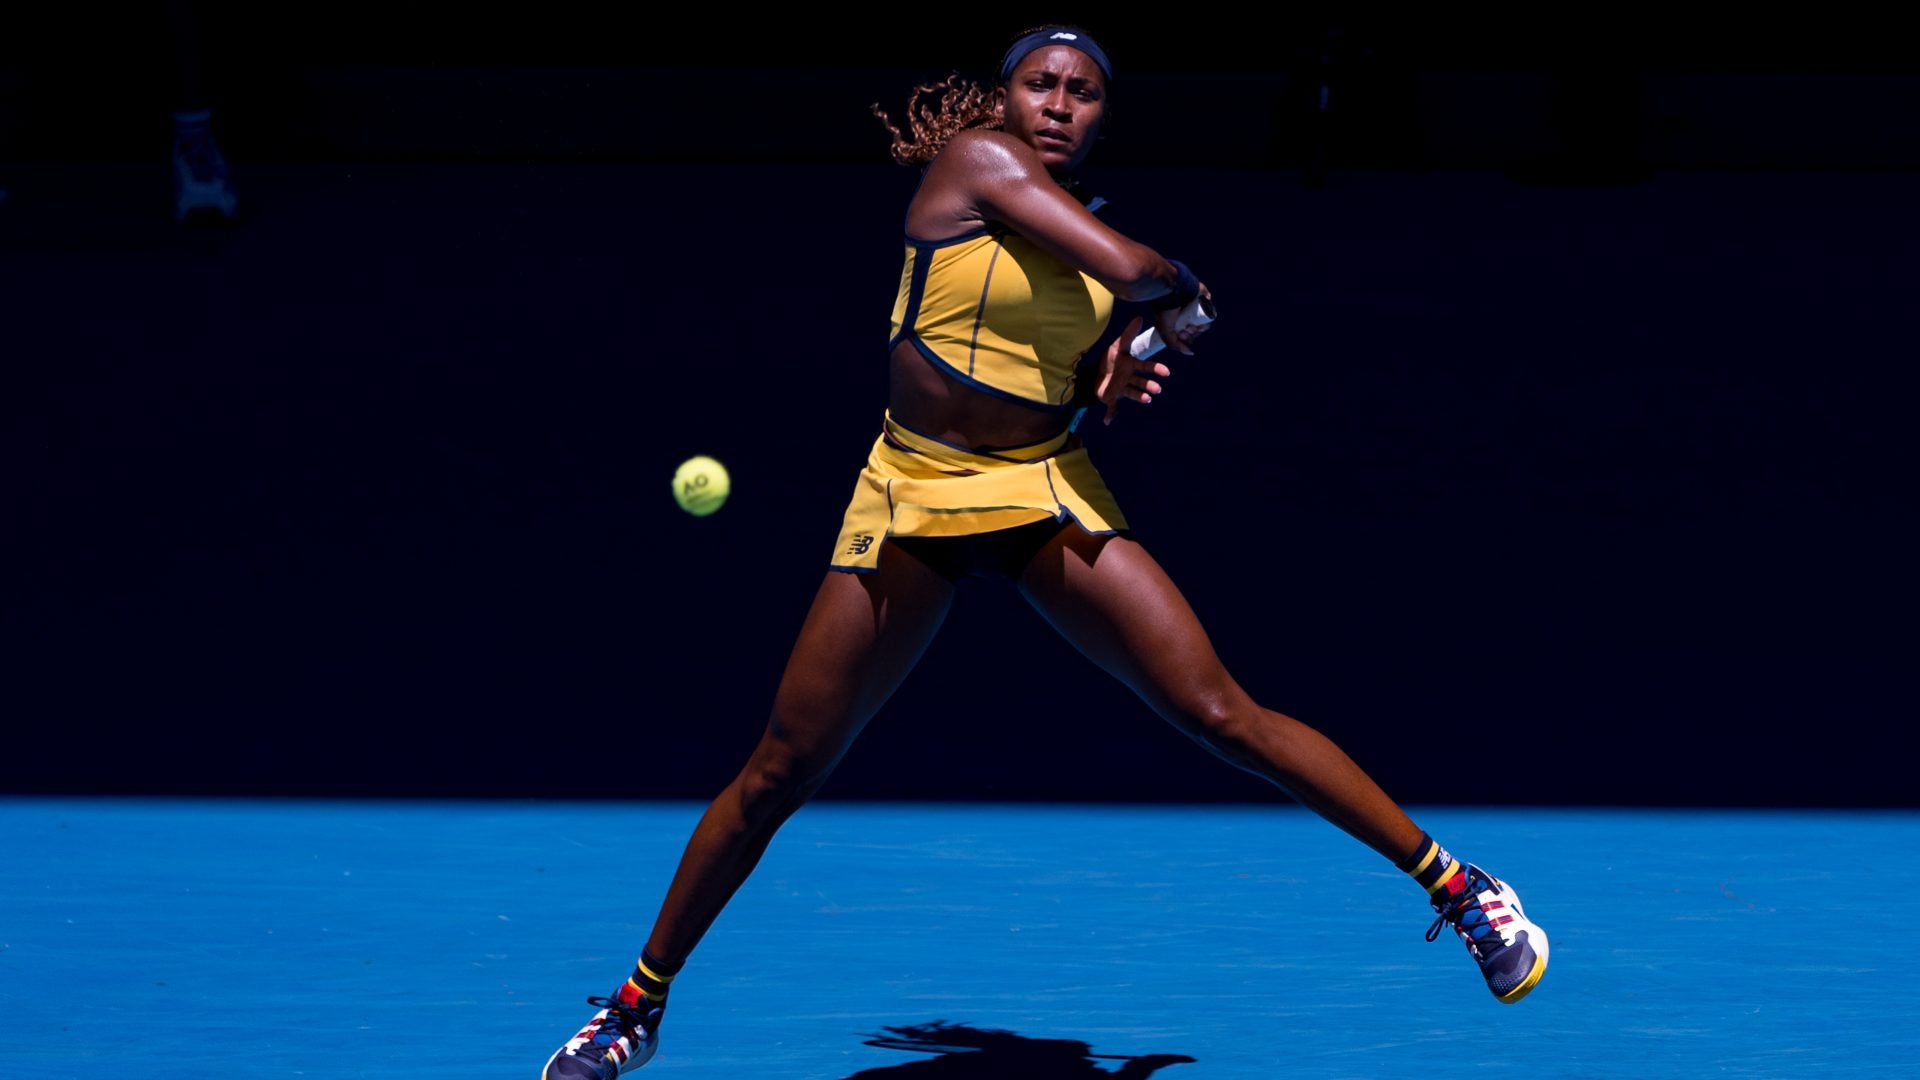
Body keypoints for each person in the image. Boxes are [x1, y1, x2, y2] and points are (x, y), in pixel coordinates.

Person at [541, 24, 1548, 1078]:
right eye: (1041, 84)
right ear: (1004, 98)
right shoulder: (974, 165)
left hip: (1041, 492)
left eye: (1083, 92)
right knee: (782, 768)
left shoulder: (1073, 242)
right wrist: (1167, 296)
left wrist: (1109, 371)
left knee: (1218, 713)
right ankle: (633, 1009)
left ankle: (1460, 888)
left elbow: (1113, 333)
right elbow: (1148, 271)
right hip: (913, 493)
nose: (1061, 103)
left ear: (1102, 116)